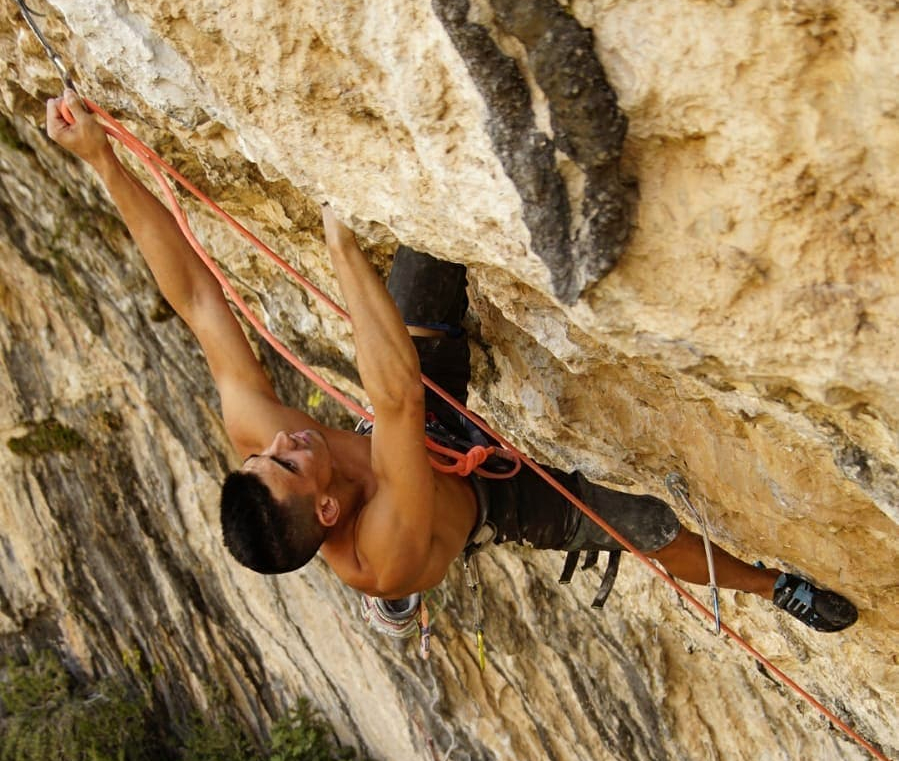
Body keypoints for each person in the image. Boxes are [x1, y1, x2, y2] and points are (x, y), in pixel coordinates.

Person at [46, 89, 857, 633]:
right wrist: (338, 248)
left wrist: (101, 162)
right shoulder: (380, 550)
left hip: (416, 423)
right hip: (472, 497)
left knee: (426, 254)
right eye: (290, 460)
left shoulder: (272, 451)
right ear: (326, 510)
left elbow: (196, 300)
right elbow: (393, 397)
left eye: (268, 452)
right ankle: (770, 586)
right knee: (643, 525)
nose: (284, 438)